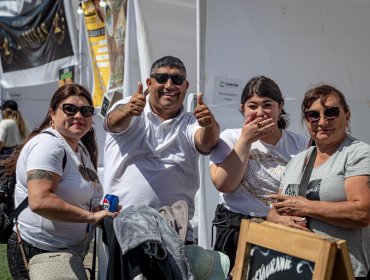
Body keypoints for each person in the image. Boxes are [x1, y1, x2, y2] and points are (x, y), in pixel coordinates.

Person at [5, 83, 119, 279]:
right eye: (70, 109)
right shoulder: (48, 146)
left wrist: (97, 211)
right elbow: (40, 201)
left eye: (86, 111)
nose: (79, 116)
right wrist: (89, 217)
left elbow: (75, 196)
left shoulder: (79, 149)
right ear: (52, 113)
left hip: (65, 253)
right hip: (40, 253)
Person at [103, 55, 220, 242]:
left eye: (177, 80)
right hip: (123, 222)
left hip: (175, 229)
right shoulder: (129, 107)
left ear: (186, 86)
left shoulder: (191, 121)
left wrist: (209, 124)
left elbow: (206, 143)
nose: (169, 85)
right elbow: (113, 124)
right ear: (149, 82)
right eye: (162, 78)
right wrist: (128, 110)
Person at [267, 84, 370, 279]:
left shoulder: (358, 153)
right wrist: (278, 219)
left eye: (331, 112)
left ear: (347, 117)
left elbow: (361, 212)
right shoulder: (296, 160)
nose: (322, 121)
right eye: (313, 115)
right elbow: (275, 209)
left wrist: (306, 207)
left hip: (342, 272)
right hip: (296, 268)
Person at [209, 75, 308, 271]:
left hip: (282, 230)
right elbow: (224, 184)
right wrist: (245, 141)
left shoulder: (301, 144)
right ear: (242, 109)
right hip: (237, 230)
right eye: (252, 106)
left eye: (267, 105)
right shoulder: (230, 138)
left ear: (280, 107)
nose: (260, 112)